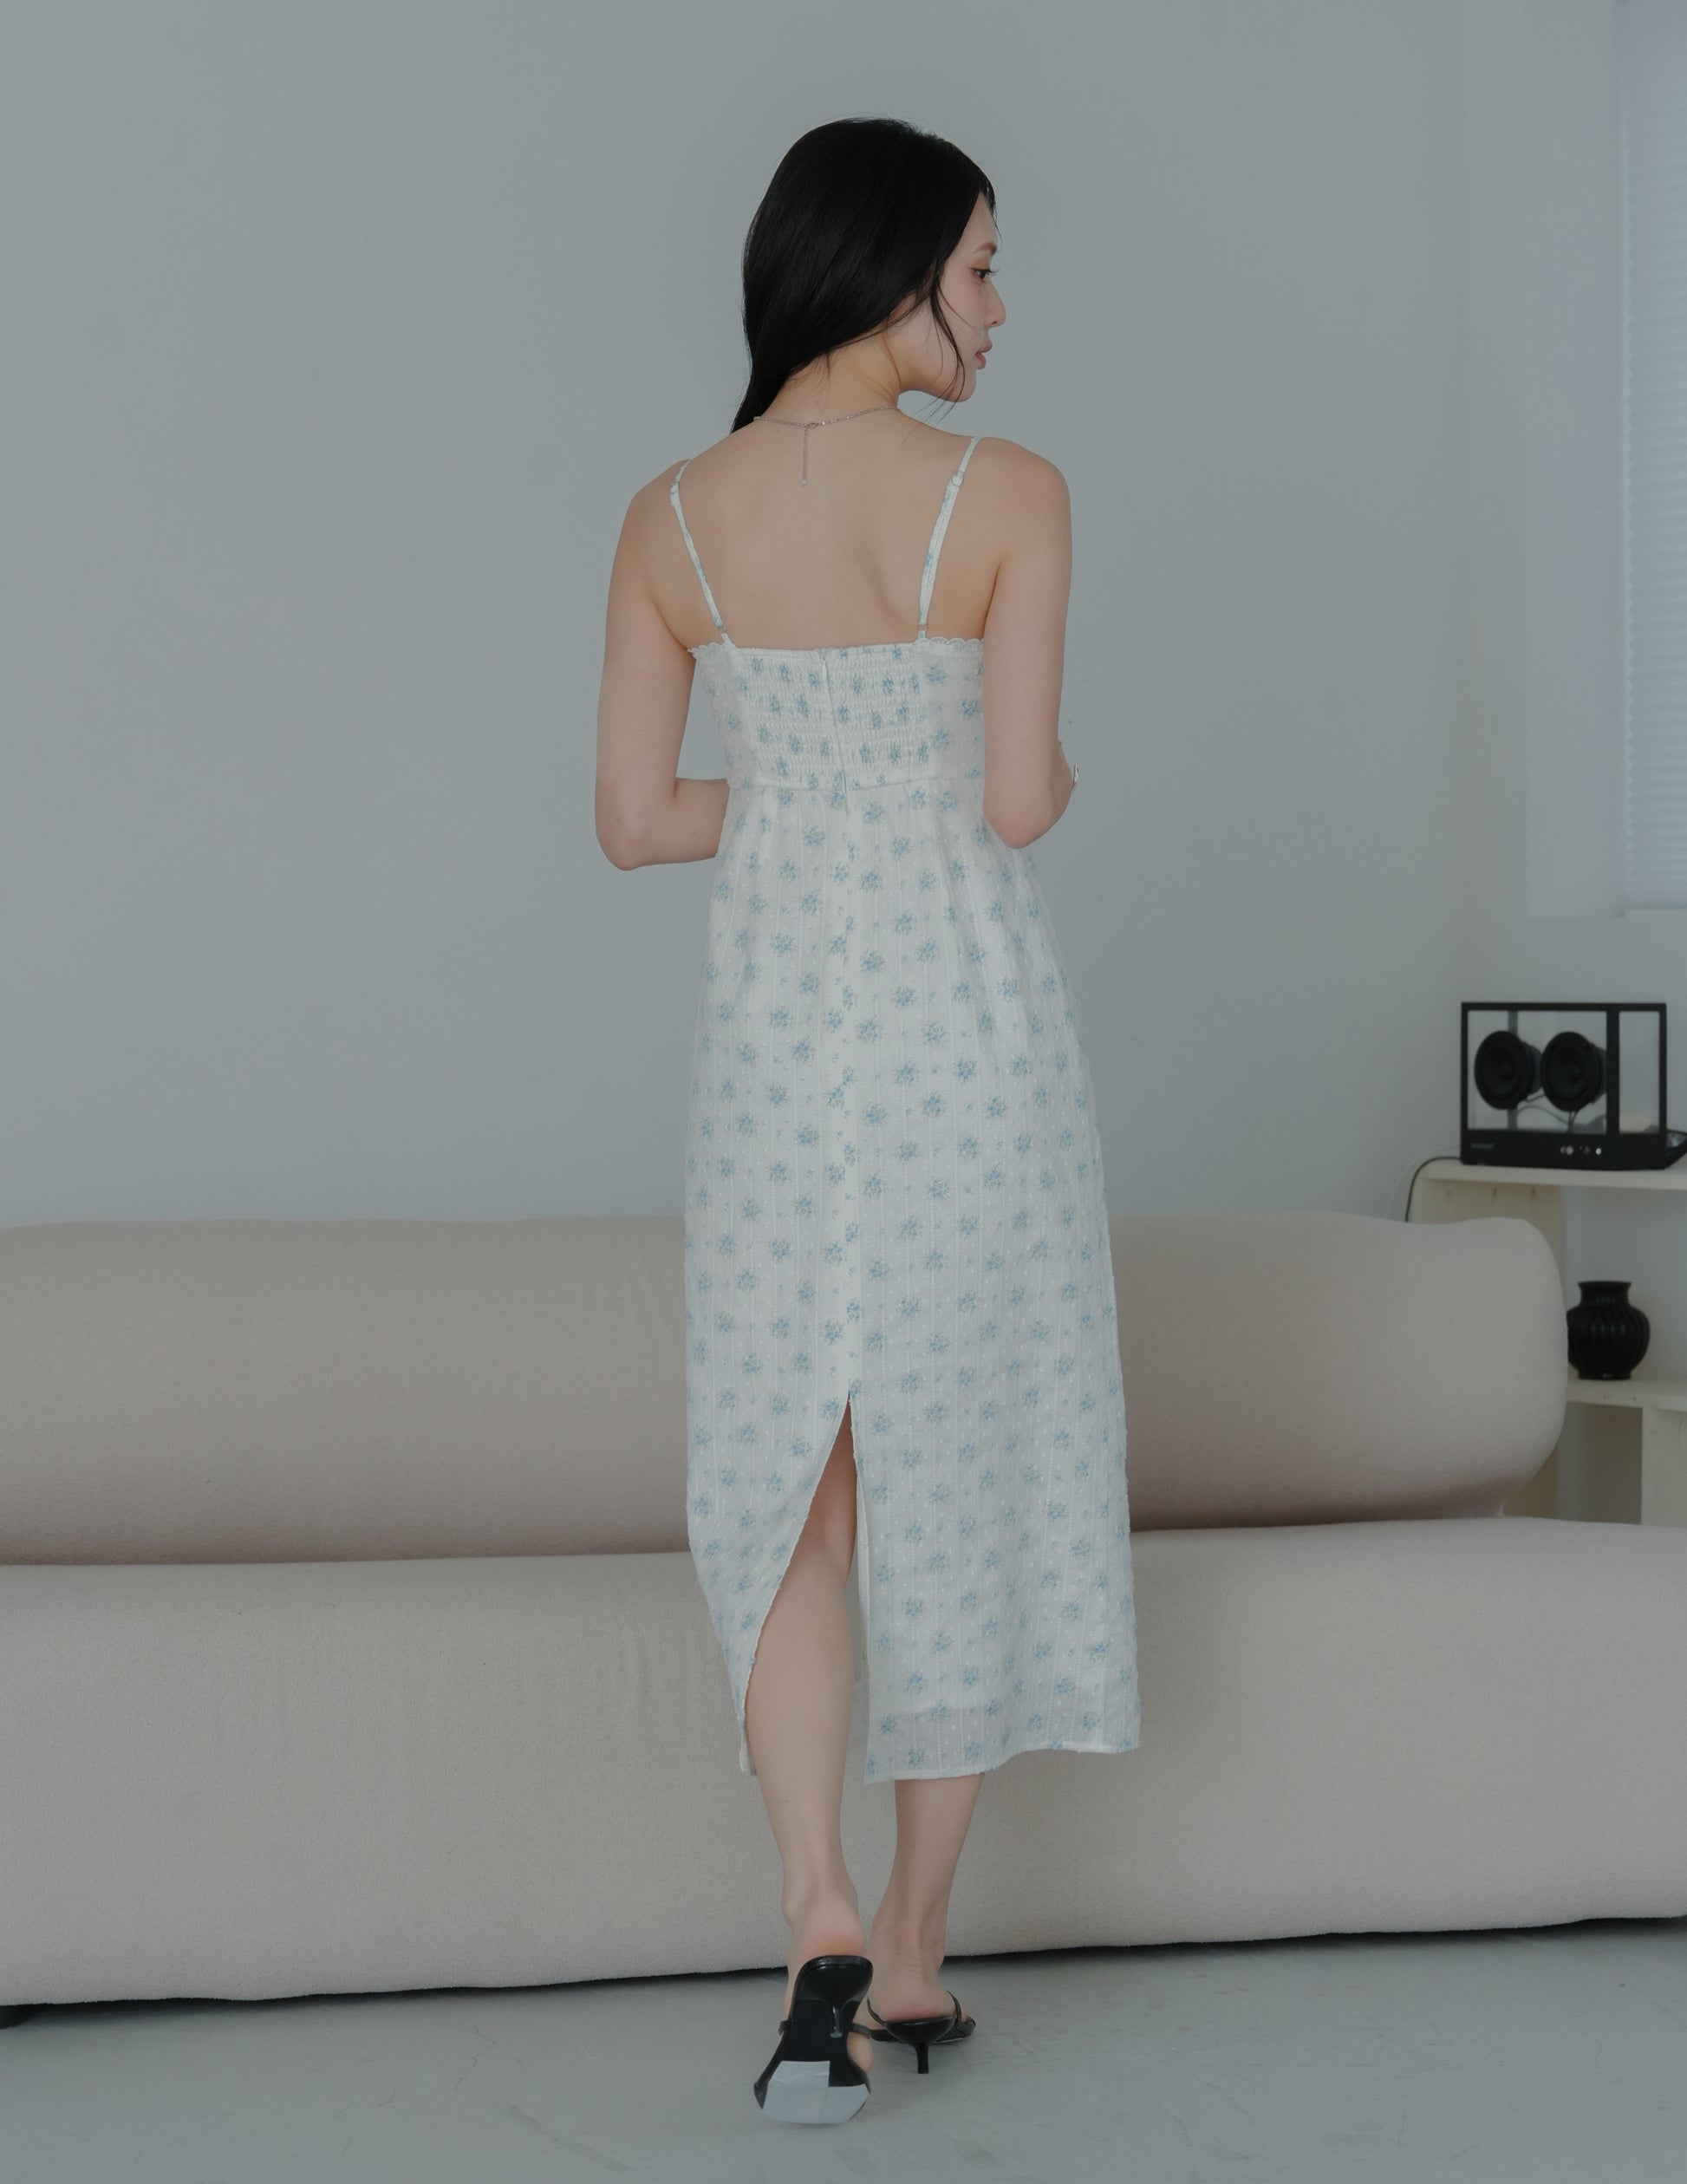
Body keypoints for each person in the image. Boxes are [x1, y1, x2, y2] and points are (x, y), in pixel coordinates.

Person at [595, 115, 1141, 2124]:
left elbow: (637, 820)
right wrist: (1033, 771)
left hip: (775, 1066)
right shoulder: (1008, 496)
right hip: (964, 1053)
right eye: (980, 267)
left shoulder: (669, 515)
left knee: (797, 1489)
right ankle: (910, 1948)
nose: (999, 306)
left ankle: (813, 1905)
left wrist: (805, 798)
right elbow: (1014, 801)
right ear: (891, 268)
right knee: (963, 1473)